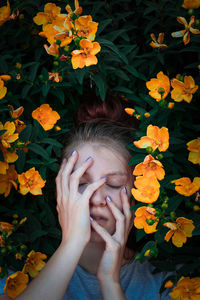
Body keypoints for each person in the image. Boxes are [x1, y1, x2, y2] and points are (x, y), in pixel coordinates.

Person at [0, 97, 171, 300]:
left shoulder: (165, 283)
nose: (95, 198)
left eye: (114, 183)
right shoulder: (16, 274)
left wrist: (110, 282)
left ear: (139, 191)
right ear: (59, 190)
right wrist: (72, 243)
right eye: (80, 183)